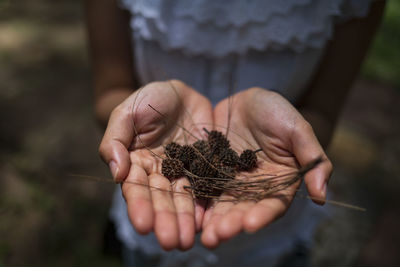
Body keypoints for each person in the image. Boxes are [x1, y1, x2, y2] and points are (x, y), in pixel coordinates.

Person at [85, 0, 385, 266]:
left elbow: (322, 112)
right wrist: (133, 113)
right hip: (152, 225)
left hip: (275, 237)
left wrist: (300, 134)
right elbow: (110, 92)